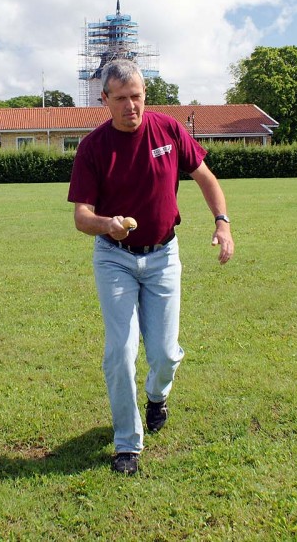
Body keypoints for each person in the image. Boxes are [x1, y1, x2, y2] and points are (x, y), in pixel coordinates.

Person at [68, 59, 235, 476]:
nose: (131, 106)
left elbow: (205, 177)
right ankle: (128, 443)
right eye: (121, 99)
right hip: (114, 258)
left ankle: (157, 396)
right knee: (120, 352)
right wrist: (107, 224)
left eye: (137, 97)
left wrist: (223, 223)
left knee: (164, 354)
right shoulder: (93, 147)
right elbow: (81, 216)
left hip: (163, 257)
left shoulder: (169, 129)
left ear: (146, 95)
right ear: (104, 100)